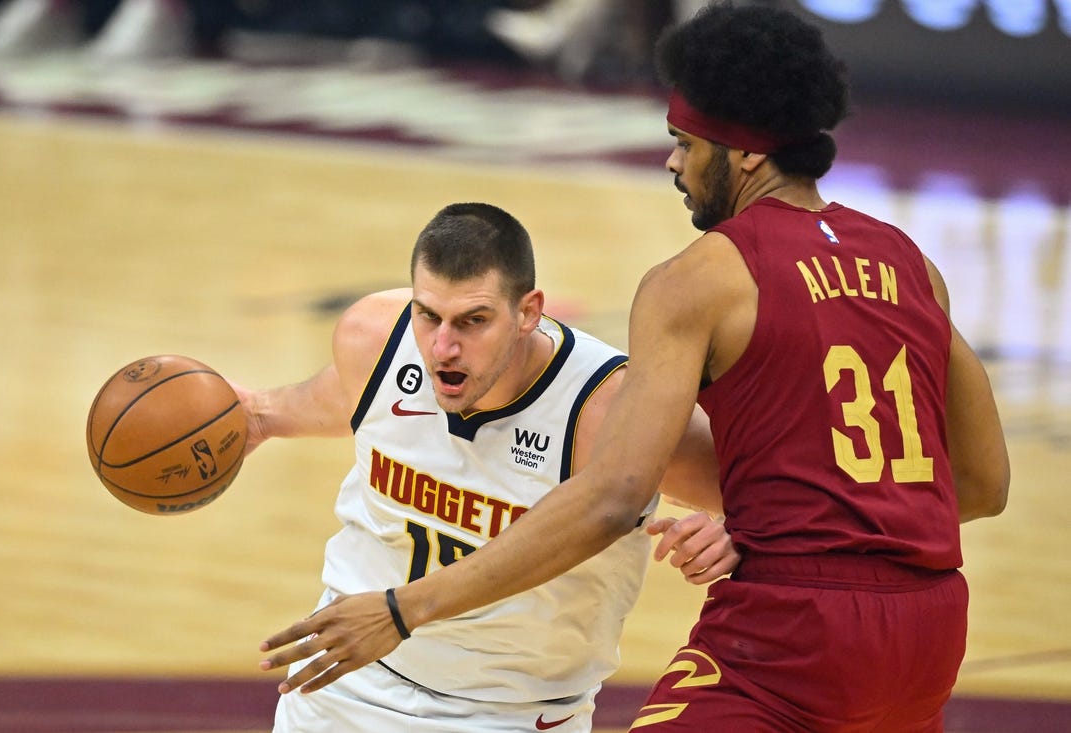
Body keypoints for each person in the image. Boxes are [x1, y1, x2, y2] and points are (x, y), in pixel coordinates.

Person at [257, 4, 1011, 731]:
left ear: (744, 151)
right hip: (932, 627)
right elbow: (980, 483)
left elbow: (613, 499)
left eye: (687, 142)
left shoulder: (699, 278)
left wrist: (400, 610)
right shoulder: (910, 263)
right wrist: (789, 526)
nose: (673, 161)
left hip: (795, 630)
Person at [237, 201, 737, 732]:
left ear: (528, 312)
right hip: (343, 682)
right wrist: (251, 417)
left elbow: (791, 504)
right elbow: (329, 402)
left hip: (509, 713)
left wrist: (734, 531)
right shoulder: (377, 338)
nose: (443, 347)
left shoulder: (609, 405)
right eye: (428, 315)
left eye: (473, 321)